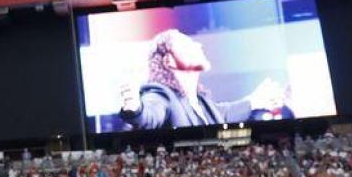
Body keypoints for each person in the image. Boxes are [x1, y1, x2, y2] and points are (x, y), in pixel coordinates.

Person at [117, 29, 289, 131]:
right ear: (168, 60)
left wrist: (255, 100)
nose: (198, 45)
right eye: (187, 44)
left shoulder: (201, 101)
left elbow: (224, 114)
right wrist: (135, 108)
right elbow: (151, 114)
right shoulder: (162, 94)